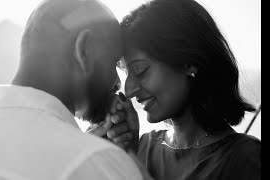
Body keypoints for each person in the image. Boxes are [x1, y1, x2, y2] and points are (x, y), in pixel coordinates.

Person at [0, 0, 150, 179]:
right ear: (84, 49)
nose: (118, 83)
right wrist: (122, 158)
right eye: (113, 62)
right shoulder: (97, 161)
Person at [108, 0, 261, 179]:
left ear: (188, 63)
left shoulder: (245, 159)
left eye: (140, 70)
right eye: (126, 72)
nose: (129, 90)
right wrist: (125, 155)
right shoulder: (143, 147)